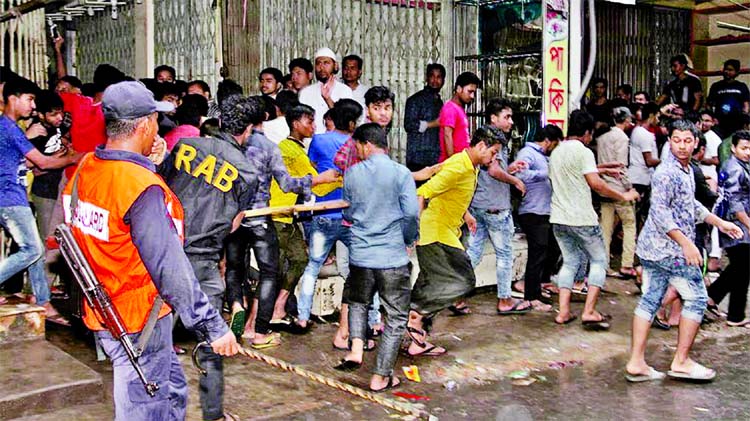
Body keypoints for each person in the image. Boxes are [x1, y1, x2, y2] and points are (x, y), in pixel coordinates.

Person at [62, 80, 239, 419]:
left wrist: (148, 168)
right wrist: (211, 326)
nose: (159, 126)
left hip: (103, 308)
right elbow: (168, 265)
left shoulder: (87, 168)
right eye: (156, 119)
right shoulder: (138, 186)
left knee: (170, 388)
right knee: (144, 405)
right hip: (138, 317)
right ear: (144, 125)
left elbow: (113, 227)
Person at [160, 92, 258, 421]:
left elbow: (160, 187)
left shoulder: (187, 147)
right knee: (212, 341)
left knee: (151, 340)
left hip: (164, 254)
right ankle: (213, 414)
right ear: (248, 130)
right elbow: (233, 224)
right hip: (203, 263)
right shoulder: (247, 173)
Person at [624, 120, 743, 383]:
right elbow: (660, 212)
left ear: (696, 144)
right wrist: (687, 244)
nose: (681, 145)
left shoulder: (687, 169)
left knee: (651, 300)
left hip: (655, 250)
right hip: (671, 251)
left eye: (687, 140)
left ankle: (636, 363)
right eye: (676, 139)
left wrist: (719, 222)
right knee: (698, 300)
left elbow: (691, 206)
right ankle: (681, 362)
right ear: (670, 141)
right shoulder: (667, 172)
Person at [227, 96, 337, 345]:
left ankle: (238, 308)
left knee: (236, 269)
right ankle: (257, 329)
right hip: (263, 217)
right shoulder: (270, 148)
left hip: (235, 217)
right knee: (270, 273)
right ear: (264, 118)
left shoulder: (228, 145)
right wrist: (320, 180)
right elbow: (287, 183)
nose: (314, 126)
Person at [333, 123, 419, 392]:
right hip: (392, 256)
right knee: (395, 317)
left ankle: (356, 348)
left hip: (360, 254)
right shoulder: (401, 173)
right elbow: (411, 214)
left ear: (367, 144)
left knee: (358, 302)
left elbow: (347, 213)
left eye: (358, 146)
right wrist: (407, 239)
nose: (357, 151)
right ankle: (381, 375)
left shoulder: (353, 174)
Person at [406, 126, 503, 357]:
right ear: (481, 146)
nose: (494, 158)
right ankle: (416, 315)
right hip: (434, 233)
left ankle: (416, 337)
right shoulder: (459, 167)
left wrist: (465, 214)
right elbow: (423, 193)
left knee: (430, 281)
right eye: (493, 152)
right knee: (464, 281)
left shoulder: (470, 165)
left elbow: (449, 190)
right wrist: (412, 232)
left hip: (445, 231)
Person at [549, 110, 640, 329]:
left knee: (570, 262)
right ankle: (589, 311)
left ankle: (563, 312)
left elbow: (576, 171)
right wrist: (623, 195)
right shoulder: (584, 152)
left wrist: (605, 168)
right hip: (581, 218)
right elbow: (595, 183)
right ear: (587, 133)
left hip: (559, 218)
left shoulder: (557, 151)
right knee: (599, 261)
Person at [0, 77, 79, 320]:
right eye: (30, 99)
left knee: (33, 248)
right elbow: (43, 162)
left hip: (12, 195)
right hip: (10, 197)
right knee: (33, 249)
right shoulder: (9, 128)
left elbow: (25, 161)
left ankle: (44, 301)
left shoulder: (10, 127)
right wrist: (76, 158)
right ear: (13, 98)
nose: (33, 106)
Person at [267, 104, 340, 326]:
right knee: (276, 269)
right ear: (296, 124)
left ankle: (279, 307)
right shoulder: (289, 150)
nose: (313, 127)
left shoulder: (296, 150)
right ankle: (265, 317)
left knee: (299, 260)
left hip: (288, 217)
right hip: (276, 216)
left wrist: (338, 179)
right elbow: (316, 184)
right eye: (309, 122)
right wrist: (338, 178)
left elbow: (315, 185)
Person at [294, 99, 362, 330]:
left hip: (323, 213)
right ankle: (372, 320)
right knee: (362, 266)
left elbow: (312, 166)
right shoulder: (358, 145)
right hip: (350, 217)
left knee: (313, 266)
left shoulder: (319, 140)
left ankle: (303, 316)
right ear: (352, 123)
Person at [465, 99, 529, 314]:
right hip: (495, 208)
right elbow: (493, 171)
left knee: (473, 252)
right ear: (493, 118)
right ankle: (505, 300)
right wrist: (515, 180)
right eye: (507, 117)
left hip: (478, 205)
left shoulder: (487, 138)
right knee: (504, 254)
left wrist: (510, 169)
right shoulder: (493, 140)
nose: (510, 121)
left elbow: (494, 169)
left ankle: (456, 296)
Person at [516, 124, 562, 310]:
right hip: (532, 212)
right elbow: (521, 174)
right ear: (548, 142)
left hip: (544, 212)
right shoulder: (528, 153)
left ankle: (540, 283)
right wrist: (546, 173)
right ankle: (531, 297)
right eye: (555, 144)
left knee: (552, 248)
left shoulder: (543, 157)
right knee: (537, 253)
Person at [707, 130, 750, 327]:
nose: (748, 152)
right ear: (733, 148)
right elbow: (735, 203)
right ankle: (729, 310)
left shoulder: (740, 165)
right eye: (744, 148)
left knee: (741, 269)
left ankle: (724, 306)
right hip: (737, 225)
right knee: (741, 268)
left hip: (739, 224)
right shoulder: (734, 168)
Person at [597, 106, 638, 278]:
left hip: (604, 186)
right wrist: (630, 187)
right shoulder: (622, 138)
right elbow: (621, 166)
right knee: (629, 225)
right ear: (627, 120)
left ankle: (603, 264)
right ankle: (627, 264)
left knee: (605, 227)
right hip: (619, 187)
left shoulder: (602, 137)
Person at [404, 63, 445, 178]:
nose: (435, 80)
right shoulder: (415, 100)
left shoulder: (439, 101)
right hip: (418, 158)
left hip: (435, 157)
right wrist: (433, 124)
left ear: (443, 80)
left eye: (439, 77)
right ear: (427, 78)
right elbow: (409, 125)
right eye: (432, 76)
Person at [299, 48, 353, 134]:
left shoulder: (345, 91)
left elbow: (345, 121)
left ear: (335, 66)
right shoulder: (305, 92)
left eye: (326, 63)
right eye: (318, 63)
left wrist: (328, 99)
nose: (321, 67)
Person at [629, 102, 661, 227]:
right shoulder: (645, 135)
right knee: (637, 213)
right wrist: (664, 161)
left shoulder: (636, 131)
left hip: (636, 176)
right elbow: (649, 161)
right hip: (641, 179)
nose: (658, 121)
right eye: (657, 117)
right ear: (652, 115)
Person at [438, 71, 481, 162]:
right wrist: (453, 162)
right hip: (453, 166)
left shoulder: (459, 108)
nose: (472, 96)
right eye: (470, 91)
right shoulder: (450, 108)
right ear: (458, 89)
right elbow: (447, 135)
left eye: (474, 92)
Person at [707, 59, 750, 137]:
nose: (727, 72)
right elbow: (709, 104)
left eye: (730, 70)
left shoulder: (742, 86)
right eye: (725, 69)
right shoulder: (716, 86)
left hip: (737, 123)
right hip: (719, 123)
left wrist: (745, 120)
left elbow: (746, 105)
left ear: (737, 72)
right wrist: (712, 118)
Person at [341, 54, 369, 119]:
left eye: (352, 68)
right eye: (346, 68)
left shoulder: (366, 92)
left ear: (359, 72)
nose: (348, 71)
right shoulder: (335, 89)